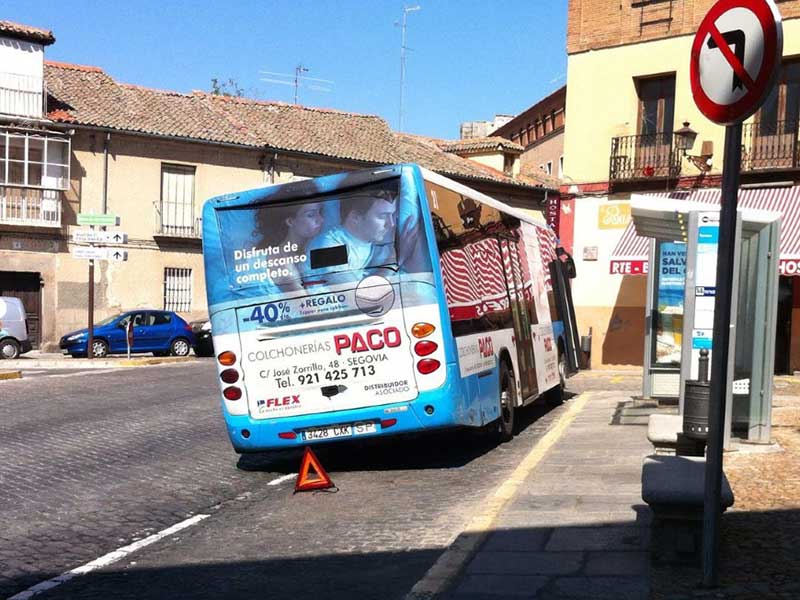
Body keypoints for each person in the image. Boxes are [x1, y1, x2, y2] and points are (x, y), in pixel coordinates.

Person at [306, 190, 397, 279]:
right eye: (383, 216)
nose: (391, 224)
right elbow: (357, 292)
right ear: (355, 217)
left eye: (392, 215)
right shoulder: (328, 246)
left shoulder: (370, 241)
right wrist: (394, 259)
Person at [256, 202, 324, 292]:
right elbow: (303, 303)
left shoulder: (309, 251)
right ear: (290, 221)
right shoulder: (280, 260)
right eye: (311, 215)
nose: (321, 220)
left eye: (320, 212)